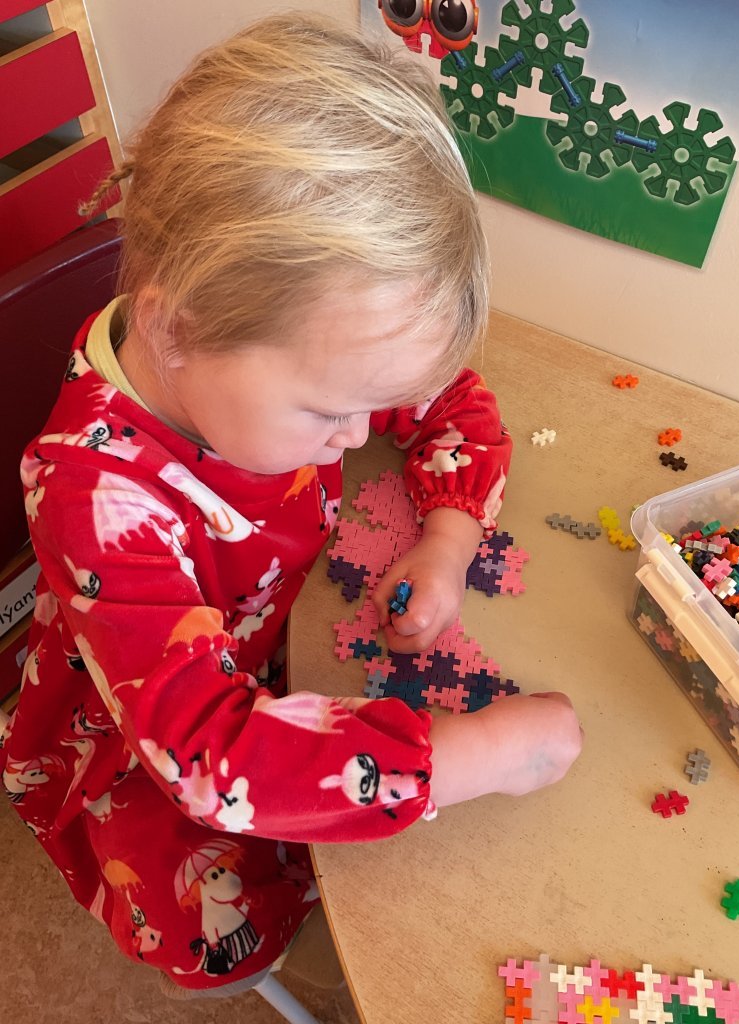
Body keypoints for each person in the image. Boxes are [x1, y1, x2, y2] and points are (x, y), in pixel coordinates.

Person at [0, 13, 582, 999]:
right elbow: (211, 759)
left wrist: (448, 540)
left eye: (367, 405)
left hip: (266, 631)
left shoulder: (274, 339)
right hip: (145, 742)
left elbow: (450, 403)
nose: (357, 435)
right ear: (176, 331)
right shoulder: (90, 494)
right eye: (328, 411)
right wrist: (471, 755)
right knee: (217, 921)